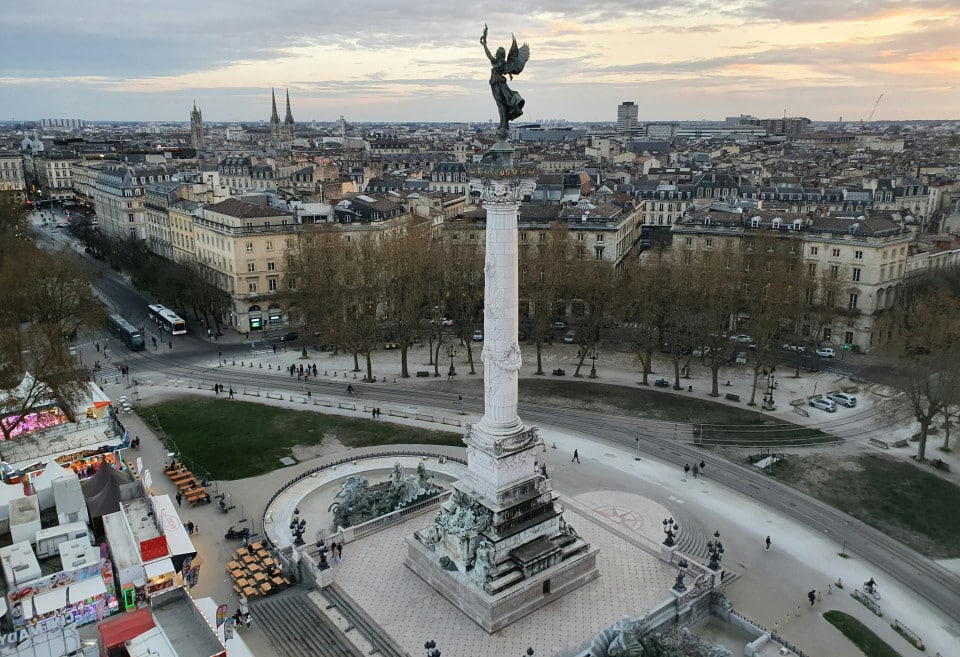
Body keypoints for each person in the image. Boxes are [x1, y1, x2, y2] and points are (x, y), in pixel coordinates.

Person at [480, 25, 529, 138]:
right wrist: (484, 44)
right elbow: (489, 55)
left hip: (498, 84)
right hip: (496, 84)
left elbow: (488, 55)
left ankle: (504, 124)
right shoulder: (499, 62)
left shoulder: (499, 63)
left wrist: (485, 45)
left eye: (497, 52)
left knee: (501, 105)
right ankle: (504, 123)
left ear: (500, 54)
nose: (495, 54)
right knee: (500, 105)